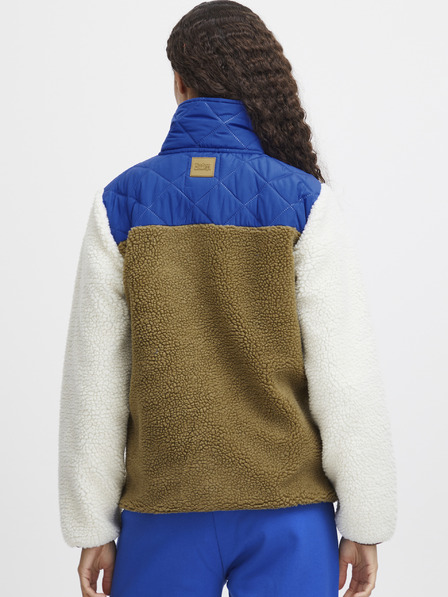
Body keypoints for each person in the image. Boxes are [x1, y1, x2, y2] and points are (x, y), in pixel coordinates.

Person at [58, 2, 398, 596]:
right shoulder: (306, 202)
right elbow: (346, 378)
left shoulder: (119, 202)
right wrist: (365, 520)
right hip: (289, 512)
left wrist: (93, 527)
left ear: (179, 82)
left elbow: (95, 383)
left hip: (162, 509)